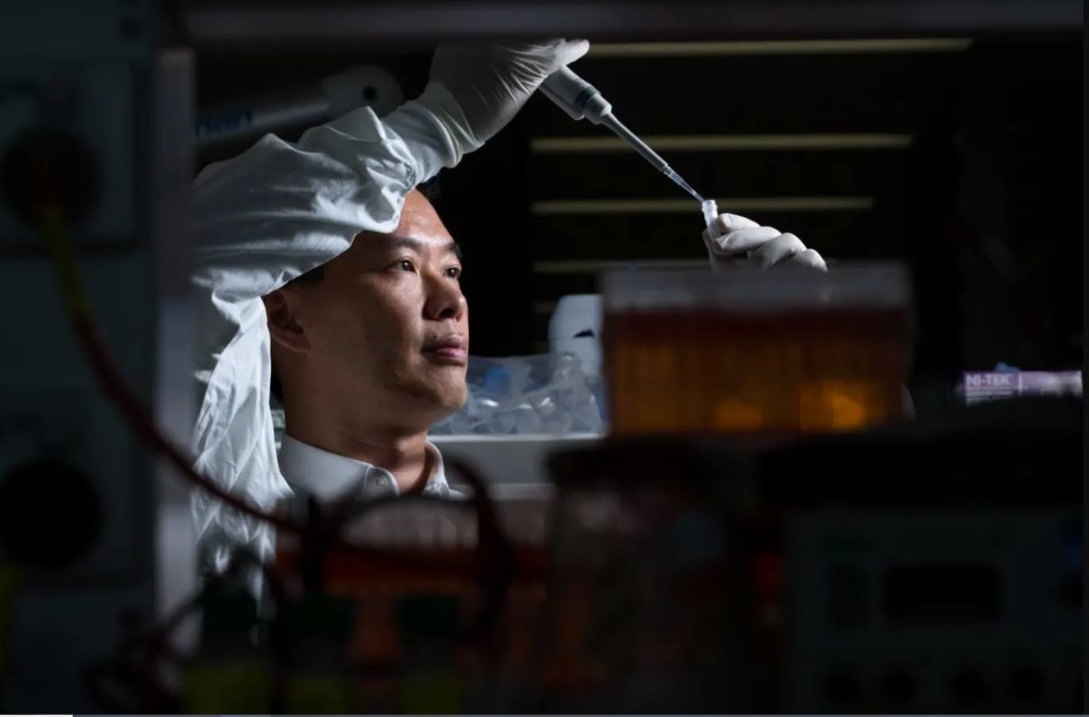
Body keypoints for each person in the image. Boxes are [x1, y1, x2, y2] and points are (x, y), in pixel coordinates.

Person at [190, 40, 827, 572]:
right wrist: (441, 123)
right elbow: (194, 253)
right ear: (287, 316)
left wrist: (793, 361)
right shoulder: (218, 508)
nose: (451, 301)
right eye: (404, 266)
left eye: (453, 271)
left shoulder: (543, 532)